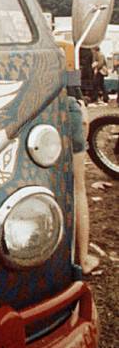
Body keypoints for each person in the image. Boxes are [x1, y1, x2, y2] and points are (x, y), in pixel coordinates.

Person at [59, 39, 99, 274]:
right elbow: (74, 88)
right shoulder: (62, 47)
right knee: (78, 188)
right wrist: (82, 107)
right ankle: (81, 259)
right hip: (67, 105)